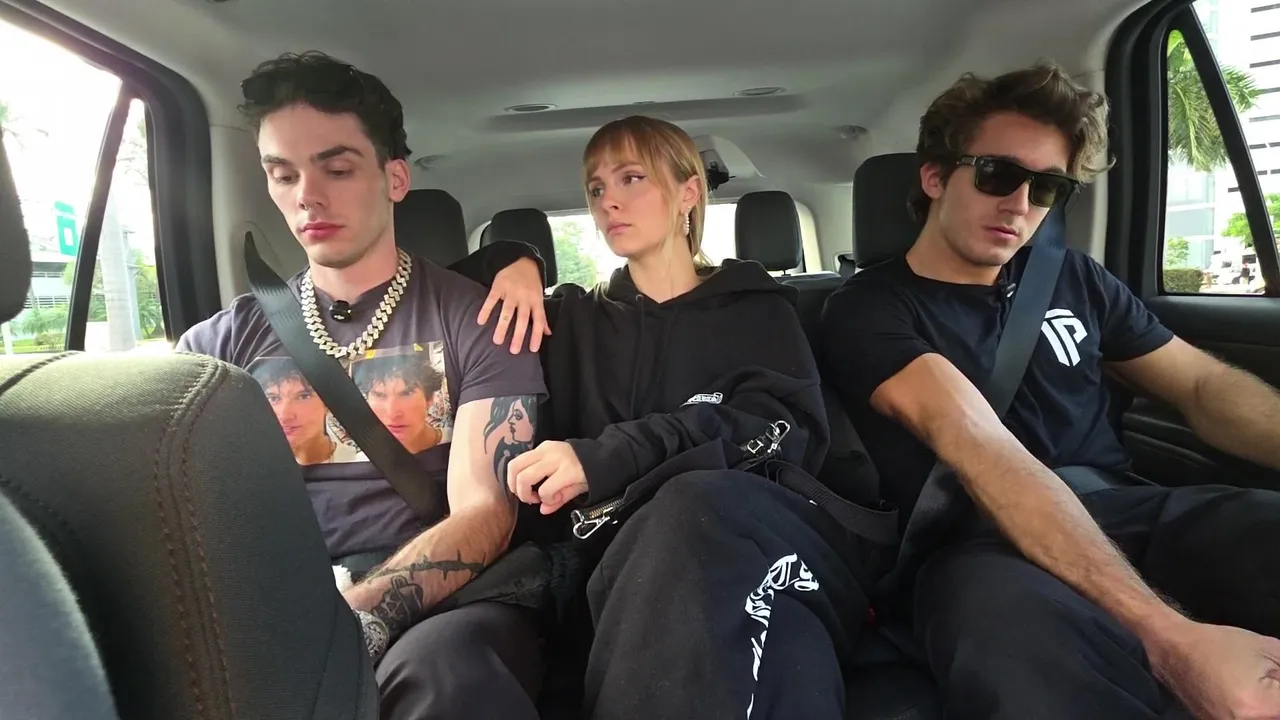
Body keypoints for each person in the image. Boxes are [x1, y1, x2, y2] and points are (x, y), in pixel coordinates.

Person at [820, 61, 1280, 720]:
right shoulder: (868, 309)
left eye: (1047, 188)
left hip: (1127, 509)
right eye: (997, 174)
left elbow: (1203, 385)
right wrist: (1171, 640)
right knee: (1008, 636)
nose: (1020, 204)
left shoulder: (1077, 280)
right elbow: (978, 444)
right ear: (935, 177)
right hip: (980, 545)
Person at [176, 51, 552, 720]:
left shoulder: (477, 319)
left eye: (337, 168)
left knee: (445, 675)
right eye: (283, 174)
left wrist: (352, 618)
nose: (307, 196)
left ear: (395, 178)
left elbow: (486, 513)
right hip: (284, 589)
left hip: (443, 600)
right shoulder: (225, 341)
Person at [489, 115, 881, 720]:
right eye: (596, 188)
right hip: (624, 574)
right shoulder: (570, 322)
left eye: (632, 178)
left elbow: (782, 433)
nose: (608, 201)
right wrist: (513, 259)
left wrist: (611, 455)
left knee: (690, 503)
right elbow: (418, 286)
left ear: (688, 193)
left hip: (760, 537)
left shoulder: (758, 311)